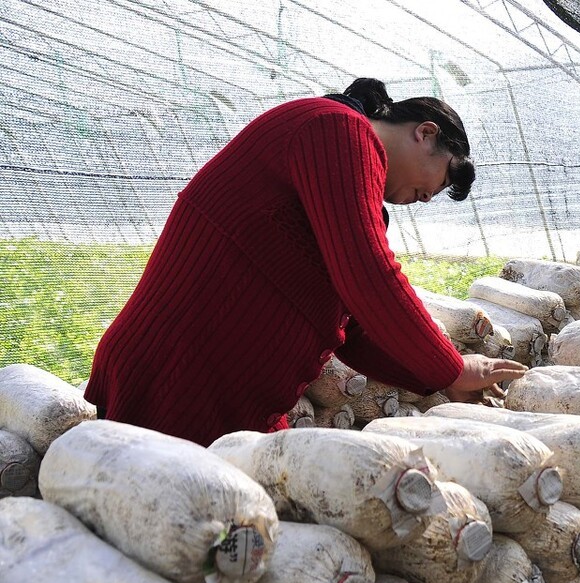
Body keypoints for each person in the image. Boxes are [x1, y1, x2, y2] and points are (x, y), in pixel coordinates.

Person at [86, 78, 525, 446]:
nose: (430, 197)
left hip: (218, 396)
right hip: (178, 380)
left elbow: (351, 329)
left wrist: (439, 378)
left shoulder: (347, 170)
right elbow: (368, 275)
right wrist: (450, 365)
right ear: (425, 133)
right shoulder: (338, 130)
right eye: (441, 177)